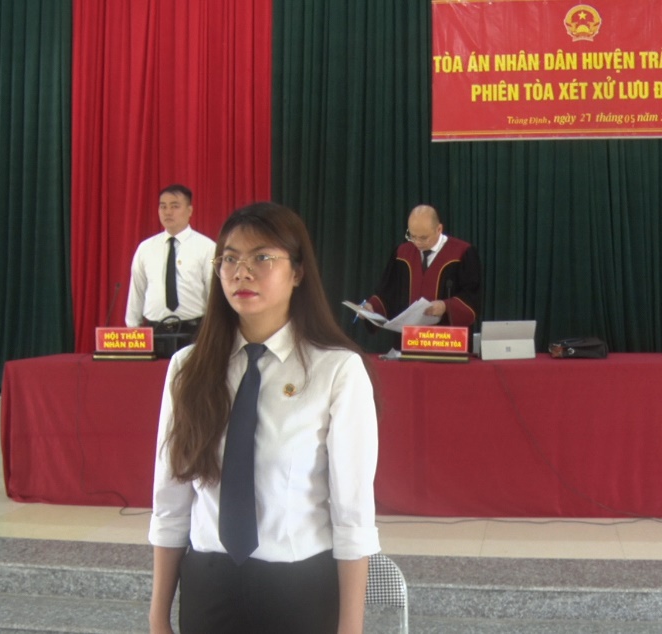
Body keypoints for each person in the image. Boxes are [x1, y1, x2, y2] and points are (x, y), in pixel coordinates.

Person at [148, 202, 379, 633]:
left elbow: (353, 516)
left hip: (299, 589)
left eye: (262, 258)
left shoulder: (337, 370)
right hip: (208, 586)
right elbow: (171, 503)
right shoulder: (188, 368)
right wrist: (158, 615)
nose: (242, 272)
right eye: (229, 259)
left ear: (298, 272)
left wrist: (351, 628)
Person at [362, 204, 482, 329]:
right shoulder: (402, 254)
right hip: (408, 337)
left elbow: (472, 297)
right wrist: (372, 308)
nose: (417, 243)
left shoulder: (462, 253)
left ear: (439, 229)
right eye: (412, 236)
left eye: (423, 238)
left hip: (446, 338)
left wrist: (445, 306)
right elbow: (387, 292)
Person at [124, 184, 216, 338]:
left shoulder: (207, 247)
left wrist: (213, 332)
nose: (168, 212)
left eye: (175, 206)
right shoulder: (146, 248)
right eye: (163, 207)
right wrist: (132, 329)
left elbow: (214, 293)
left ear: (189, 211)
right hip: (155, 331)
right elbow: (137, 290)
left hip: (195, 331)